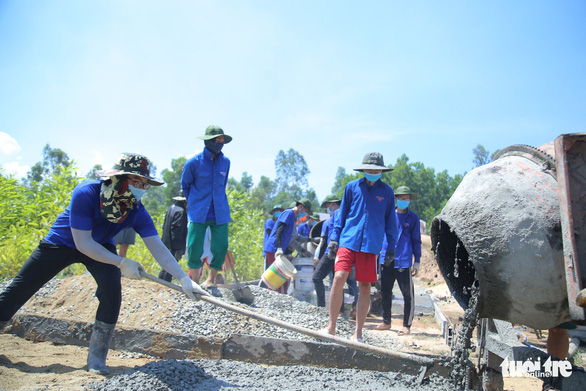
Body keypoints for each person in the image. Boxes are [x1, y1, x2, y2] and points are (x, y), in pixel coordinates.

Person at [0, 153, 208, 376]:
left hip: (99, 247)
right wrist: (121, 262)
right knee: (22, 286)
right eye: (137, 182)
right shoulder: (87, 193)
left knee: (111, 290)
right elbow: (82, 242)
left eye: (145, 184)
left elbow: (158, 248)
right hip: (63, 242)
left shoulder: (136, 210)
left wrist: (184, 279)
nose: (141, 188)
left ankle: (97, 358)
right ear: (118, 178)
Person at [320, 152, 398, 343]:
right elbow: (341, 216)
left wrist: (391, 248)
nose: (372, 172)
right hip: (349, 240)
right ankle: (331, 327)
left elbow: (390, 222)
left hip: (371, 245)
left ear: (381, 171)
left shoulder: (387, 192)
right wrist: (333, 239)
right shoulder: (352, 187)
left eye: (376, 170)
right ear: (363, 169)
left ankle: (358, 333)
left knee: (365, 287)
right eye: (369, 169)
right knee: (339, 278)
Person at [181, 125, 232, 290]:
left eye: (222, 140)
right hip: (199, 213)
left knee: (221, 246)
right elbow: (186, 185)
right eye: (216, 140)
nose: (219, 143)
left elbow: (222, 185)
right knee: (194, 246)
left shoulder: (225, 162)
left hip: (220, 213)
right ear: (207, 141)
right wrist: (195, 203)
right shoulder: (193, 163)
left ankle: (210, 280)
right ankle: (194, 282)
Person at [373, 186, 422, 336]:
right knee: (385, 291)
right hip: (387, 259)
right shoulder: (387, 215)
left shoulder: (413, 218)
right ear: (396, 199)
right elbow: (379, 235)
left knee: (407, 294)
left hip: (404, 259)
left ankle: (406, 325)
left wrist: (417, 261)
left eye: (407, 199)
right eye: (401, 198)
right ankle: (386, 321)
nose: (404, 201)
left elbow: (416, 240)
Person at [312, 195, 359, 319]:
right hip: (344, 252)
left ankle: (321, 307)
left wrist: (318, 257)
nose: (328, 208)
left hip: (331, 252)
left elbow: (324, 241)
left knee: (317, 278)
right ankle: (341, 311)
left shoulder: (332, 218)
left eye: (328, 205)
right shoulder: (350, 214)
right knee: (337, 283)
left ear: (333, 204)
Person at [263, 198, 313, 294]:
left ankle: (275, 296)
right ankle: (272, 297)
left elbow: (294, 237)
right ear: (301, 207)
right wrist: (279, 247)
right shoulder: (289, 213)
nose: (305, 214)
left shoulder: (293, 219)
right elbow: (279, 230)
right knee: (277, 276)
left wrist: (311, 240)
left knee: (279, 276)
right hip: (273, 247)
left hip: (277, 247)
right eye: (305, 211)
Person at [158, 191, 188, 282]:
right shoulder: (181, 211)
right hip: (174, 245)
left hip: (166, 241)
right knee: (170, 266)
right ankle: (165, 285)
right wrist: (178, 248)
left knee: (166, 265)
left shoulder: (171, 208)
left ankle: (161, 283)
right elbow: (177, 231)